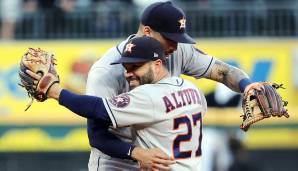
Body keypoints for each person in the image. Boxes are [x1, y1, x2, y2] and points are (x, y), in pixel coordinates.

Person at [85, 1, 253, 171]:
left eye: (178, 39)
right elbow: (96, 135)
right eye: (170, 38)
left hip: (159, 162)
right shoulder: (106, 71)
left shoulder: (176, 51)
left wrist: (249, 87)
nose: (175, 46)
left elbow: (223, 72)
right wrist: (135, 152)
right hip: (117, 162)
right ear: (147, 32)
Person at [27, 36, 208, 170]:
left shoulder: (149, 95)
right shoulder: (192, 89)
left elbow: (98, 109)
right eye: (126, 67)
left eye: (136, 66)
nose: (128, 74)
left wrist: (54, 91)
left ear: (157, 64)